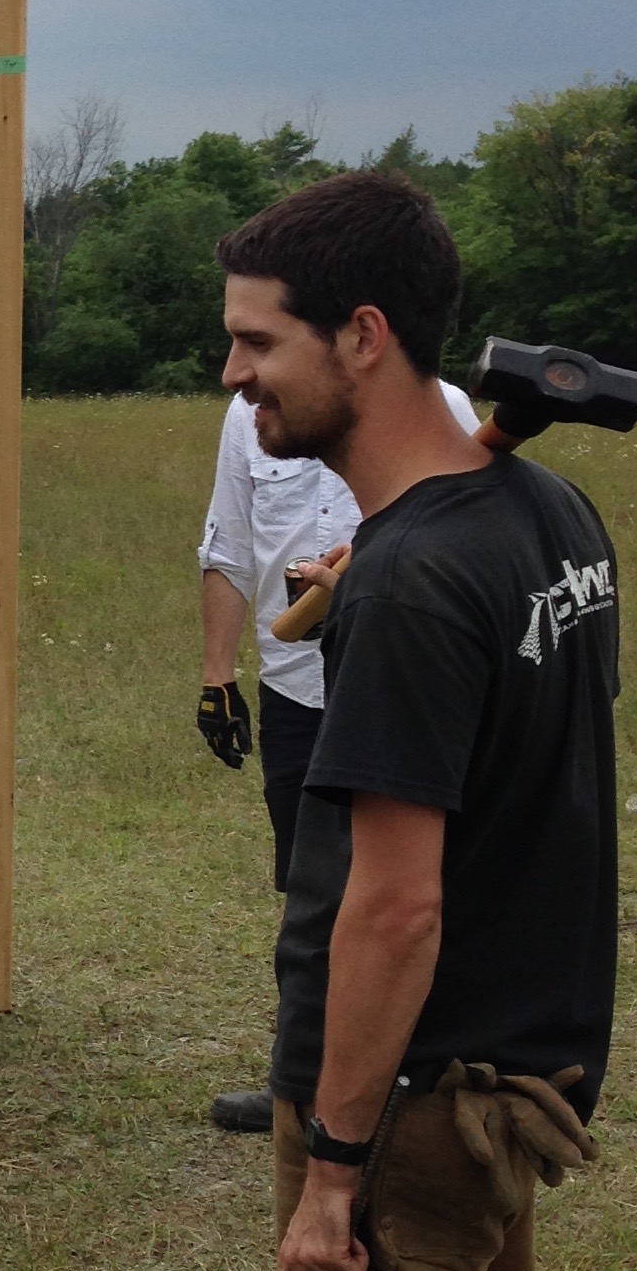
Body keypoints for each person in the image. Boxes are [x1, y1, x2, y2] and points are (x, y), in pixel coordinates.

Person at [215, 171, 616, 1271]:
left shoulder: (423, 585)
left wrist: (329, 1169)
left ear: (359, 338)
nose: (233, 379)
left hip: (420, 1091)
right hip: (523, 1066)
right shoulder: (541, 515)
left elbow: (386, 906)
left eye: (256, 341)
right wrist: (357, 579)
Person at [196, 362, 477, 1132]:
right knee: (308, 893)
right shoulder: (248, 417)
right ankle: (304, 1077)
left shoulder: (444, 406)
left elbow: (454, 540)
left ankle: (410, 1080)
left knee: (403, 887)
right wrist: (217, 678)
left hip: (391, 685)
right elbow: (226, 541)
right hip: (295, 687)